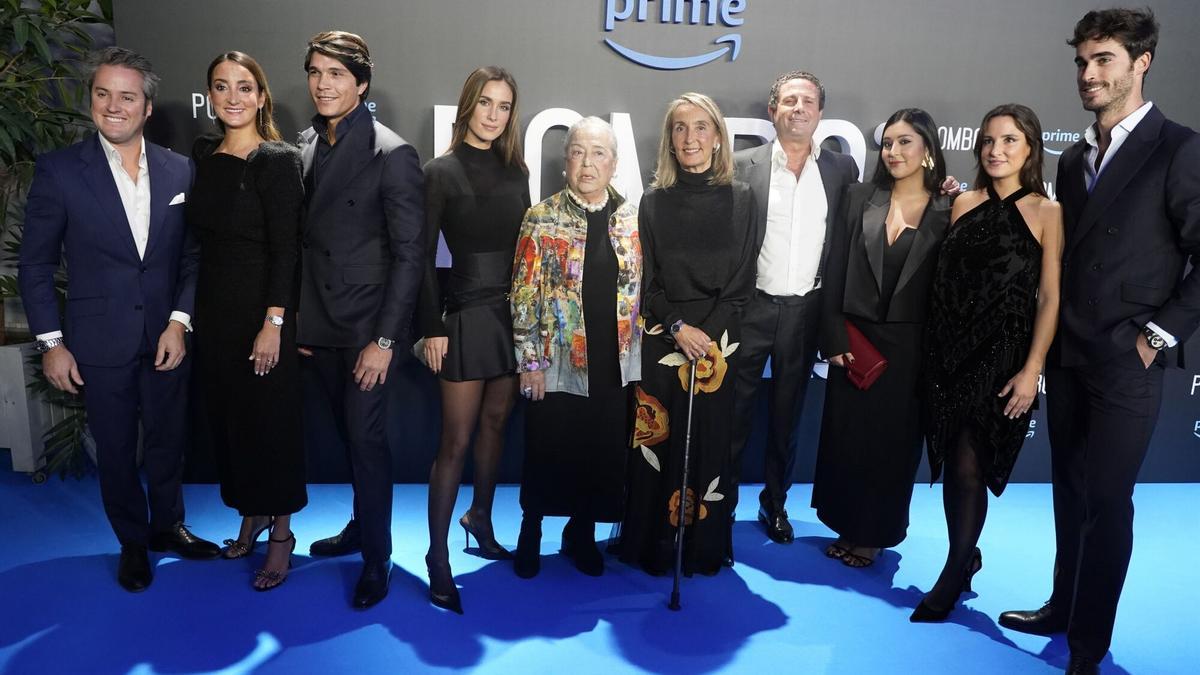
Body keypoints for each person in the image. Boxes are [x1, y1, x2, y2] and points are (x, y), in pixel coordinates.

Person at [999, 10, 1200, 673]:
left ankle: (1090, 642)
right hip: (1071, 354)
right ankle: (1063, 605)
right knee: (1069, 493)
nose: (1089, 74)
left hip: (1126, 359)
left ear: (1141, 63)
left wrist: (1156, 335)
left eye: (1104, 60)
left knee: (1108, 503)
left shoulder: (1178, 147)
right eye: (1082, 62)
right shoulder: (1077, 157)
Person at [18, 46, 219, 592]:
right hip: (95, 342)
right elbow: (34, 263)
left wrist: (180, 321)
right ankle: (132, 542)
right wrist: (51, 342)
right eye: (102, 94)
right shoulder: (60, 171)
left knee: (167, 440)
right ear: (91, 101)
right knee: (114, 447)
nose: (113, 106)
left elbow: (193, 258)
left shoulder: (181, 169)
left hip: (166, 338)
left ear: (147, 106)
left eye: (126, 96)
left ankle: (168, 528)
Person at [913, 103, 1063, 622]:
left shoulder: (1047, 212)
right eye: (988, 141)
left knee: (970, 464)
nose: (996, 151)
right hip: (948, 354)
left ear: (1031, 150)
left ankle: (954, 570)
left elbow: (1048, 298)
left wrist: (1032, 369)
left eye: (1009, 142)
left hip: (1002, 359)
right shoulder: (964, 203)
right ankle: (967, 554)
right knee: (954, 465)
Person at [297, 31, 425, 609]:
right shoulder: (304, 144)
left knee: (367, 441)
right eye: (316, 73)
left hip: (365, 328)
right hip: (319, 326)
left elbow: (410, 256)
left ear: (361, 84)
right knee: (349, 437)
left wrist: (383, 341)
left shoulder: (391, 152)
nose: (324, 84)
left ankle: (378, 557)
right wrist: (300, 323)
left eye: (337, 75)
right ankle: (357, 528)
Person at [619, 93, 757, 576]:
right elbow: (647, 284)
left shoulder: (743, 199)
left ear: (718, 137)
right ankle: (651, 545)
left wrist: (705, 337)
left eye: (701, 127)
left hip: (718, 345)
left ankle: (701, 547)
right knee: (657, 446)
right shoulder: (653, 202)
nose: (690, 138)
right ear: (669, 141)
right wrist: (679, 328)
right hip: (664, 337)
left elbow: (741, 284)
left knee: (708, 445)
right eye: (680, 128)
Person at [187, 51, 306, 591]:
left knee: (271, 427)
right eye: (220, 86)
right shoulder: (204, 158)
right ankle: (250, 515)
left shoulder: (277, 160)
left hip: (263, 316)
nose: (232, 97)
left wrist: (274, 323)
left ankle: (281, 533)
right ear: (210, 96)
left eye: (243, 87)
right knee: (231, 425)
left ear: (261, 96)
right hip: (214, 317)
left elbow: (288, 250)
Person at [813, 108, 952, 569]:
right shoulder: (858, 197)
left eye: (905, 142)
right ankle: (847, 525)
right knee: (847, 439)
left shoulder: (951, 209)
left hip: (912, 348)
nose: (893, 152)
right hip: (855, 339)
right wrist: (831, 332)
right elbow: (833, 266)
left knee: (892, 446)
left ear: (928, 149)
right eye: (888, 143)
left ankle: (873, 535)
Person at [730, 71, 858, 546]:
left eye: (807, 101)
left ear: (820, 113)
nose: (798, 108)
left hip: (806, 312)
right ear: (773, 111)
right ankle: (717, 506)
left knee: (788, 416)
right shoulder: (742, 165)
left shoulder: (842, 170)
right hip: (750, 309)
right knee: (733, 411)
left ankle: (775, 503)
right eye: (788, 100)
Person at [418, 66, 529, 614]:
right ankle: (437, 557)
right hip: (461, 315)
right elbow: (416, 257)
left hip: (510, 317)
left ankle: (480, 519)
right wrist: (430, 327)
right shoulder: (438, 171)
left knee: (495, 425)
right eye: (485, 103)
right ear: (468, 106)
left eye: (504, 106)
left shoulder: (517, 170)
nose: (493, 114)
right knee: (454, 441)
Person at [511, 117, 642, 580]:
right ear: (566, 160)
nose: (588, 163)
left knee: (597, 451)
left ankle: (581, 534)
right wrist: (529, 362)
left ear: (615, 163)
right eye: (579, 152)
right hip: (555, 361)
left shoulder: (632, 217)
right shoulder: (541, 216)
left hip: (611, 363)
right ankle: (531, 531)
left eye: (599, 153)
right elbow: (524, 295)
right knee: (547, 448)